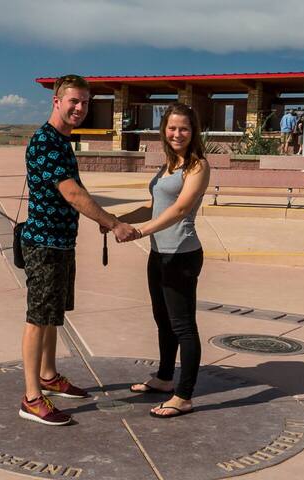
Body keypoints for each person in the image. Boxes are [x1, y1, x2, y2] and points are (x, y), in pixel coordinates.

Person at [17, 74, 137, 426]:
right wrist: (113, 224)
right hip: (43, 245)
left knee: (53, 314)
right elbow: (71, 193)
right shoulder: (45, 143)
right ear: (57, 101)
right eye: (74, 101)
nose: (80, 108)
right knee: (38, 319)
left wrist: (102, 217)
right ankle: (31, 398)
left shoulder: (62, 142)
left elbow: (77, 194)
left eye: (85, 102)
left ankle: (48, 375)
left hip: (61, 243)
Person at [117, 102, 211, 419]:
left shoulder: (197, 166)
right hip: (159, 254)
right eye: (172, 127)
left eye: (184, 128)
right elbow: (155, 205)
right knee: (163, 320)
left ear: (193, 131)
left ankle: (183, 395)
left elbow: (180, 209)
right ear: (164, 130)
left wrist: (140, 232)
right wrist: (119, 220)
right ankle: (164, 378)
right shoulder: (168, 165)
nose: (177, 133)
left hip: (182, 255)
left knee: (183, 326)